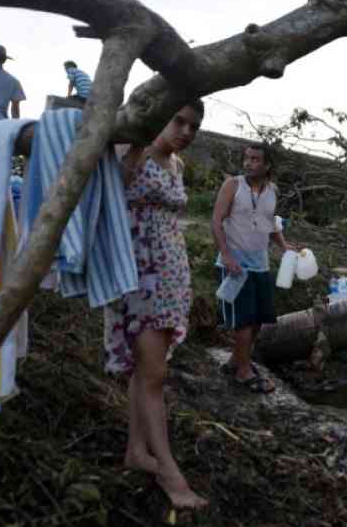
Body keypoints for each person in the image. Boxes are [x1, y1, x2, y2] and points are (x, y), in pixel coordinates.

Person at [104, 101, 208, 509]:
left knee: (147, 370)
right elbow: (109, 194)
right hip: (138, 278)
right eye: (178, 120)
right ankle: (169, 473)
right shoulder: (131, 152)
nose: (185, 130)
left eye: (193, 126)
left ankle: (136, 450)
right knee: (154, 374)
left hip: (170, 277)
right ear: (160, 116)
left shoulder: (177, 165)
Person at [212, 143, 295, 393]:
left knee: (259, 318)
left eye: (255, 159)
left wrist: (284, 245)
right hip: (235, 264)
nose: (249, 163)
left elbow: (271, 222)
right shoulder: (233, 186)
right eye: (247, 158)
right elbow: (216, 221)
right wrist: (226, 256)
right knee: (244, 319)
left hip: (260, 264)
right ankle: (243, 371)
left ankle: (236, 361)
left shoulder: (272, 190)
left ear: (267, 164)